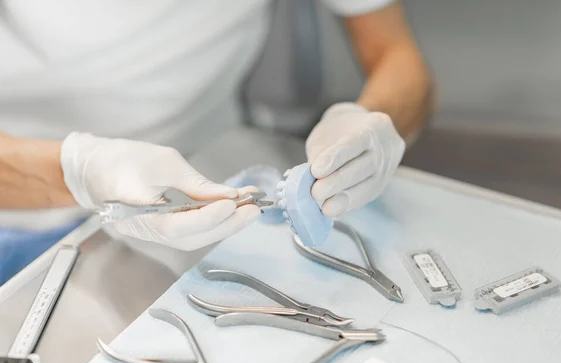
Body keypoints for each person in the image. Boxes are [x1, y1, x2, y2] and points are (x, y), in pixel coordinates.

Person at [0, 0, 431, 252]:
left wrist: (371, 123)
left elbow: (400, 59)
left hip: (206, 181)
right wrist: (78, 170)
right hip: (18, 204)